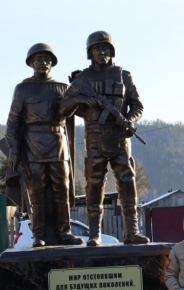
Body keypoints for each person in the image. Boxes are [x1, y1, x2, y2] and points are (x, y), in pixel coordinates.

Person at [60, 31, 149, 246]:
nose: (102, 52)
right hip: (94, 139)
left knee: (128, 185)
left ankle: (131, 232)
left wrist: (128, 119)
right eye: (97, 49)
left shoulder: (124, 76)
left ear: (112, 51)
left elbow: (138, 105)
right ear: (90, 53)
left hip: (120, 138)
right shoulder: (83, 79)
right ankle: (94, 234)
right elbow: (63, 107)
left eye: (106, 48)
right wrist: (81, 99)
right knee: (94, 186)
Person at [5, 43, 83, 248]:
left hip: (58, 142)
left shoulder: (62, 88)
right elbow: (13, 120)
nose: (43, 63)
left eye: (47, 59)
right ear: (31, 62)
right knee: (36, 192)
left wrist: (77, 90)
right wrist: (14, 149)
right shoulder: (23, 89)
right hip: (33, 144)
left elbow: (70, 112)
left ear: (52, 63)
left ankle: (64, 232)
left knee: (62, 190)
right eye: (38, 59)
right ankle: (38, 234)